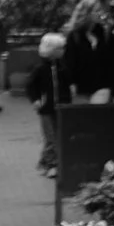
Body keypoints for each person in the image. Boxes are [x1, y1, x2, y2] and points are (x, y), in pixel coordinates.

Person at [62, 0, 114, 104]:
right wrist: (71, 83)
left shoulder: (106, 35)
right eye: (96, 10)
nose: (100, 13)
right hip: (80, 87)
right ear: (87, 13)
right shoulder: (75, 36)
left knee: (97, 116)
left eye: (100, 10)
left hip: (102, 86)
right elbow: (68, 63)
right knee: (83, 119)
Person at [27, 32, 70, 178]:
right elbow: (31, 85)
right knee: (50, 137)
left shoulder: (62, 68)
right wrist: (36, 99)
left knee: (57, 135)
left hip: (61, 107)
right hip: (46, 108)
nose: (62, 51)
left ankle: (46, 161)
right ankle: (52, 164)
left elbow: (66, 84)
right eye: (59, 49)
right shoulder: (40, 69)